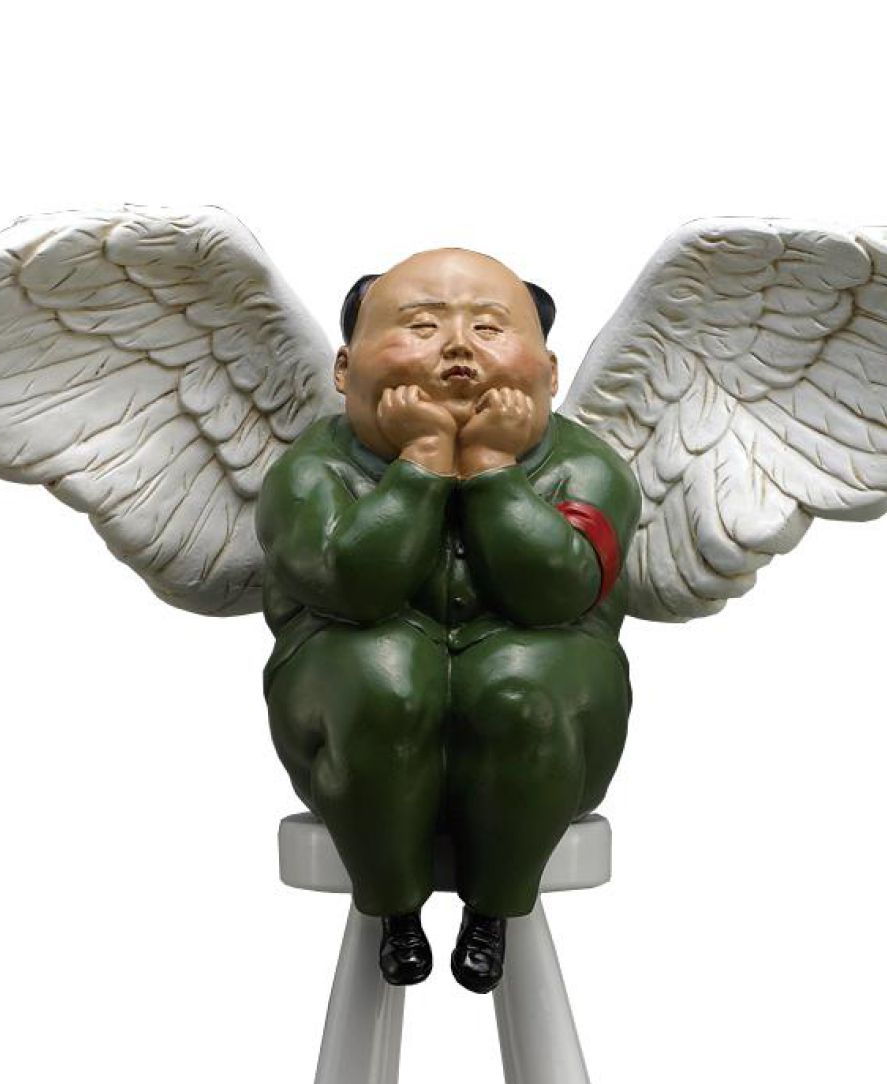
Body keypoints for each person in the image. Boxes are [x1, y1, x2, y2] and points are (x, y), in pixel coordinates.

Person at [256, 248, 640, 991]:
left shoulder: (588, 468)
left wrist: (494, 468)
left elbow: (556, 591)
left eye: (490, 328)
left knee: (524, 689)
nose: (458, 348)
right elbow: (353, 584)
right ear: (345, 370)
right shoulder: (310, 472)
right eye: (422, 327)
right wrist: (423, 463)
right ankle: (393, 906)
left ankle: (494, 909)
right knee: (381, 679)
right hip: (348, 714)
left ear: (549, 373)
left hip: (556, 725)